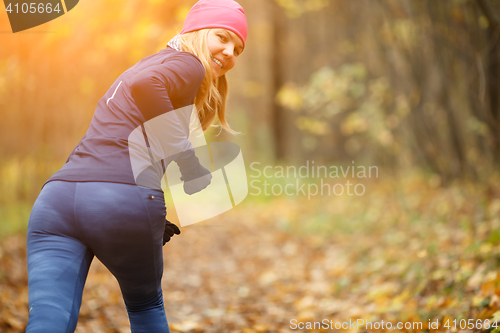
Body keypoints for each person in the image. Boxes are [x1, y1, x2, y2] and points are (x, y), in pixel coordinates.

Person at [25, 0, 247, 332]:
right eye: (222, 37)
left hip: (55, 201)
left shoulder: (149, 64)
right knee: (146, 306)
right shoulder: (188, 65)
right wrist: (188, 162)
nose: (230, 51)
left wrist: (147, 215)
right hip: (119, 198)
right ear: (195, 33)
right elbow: (148, 89)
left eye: (238, 48)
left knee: (49, 315)